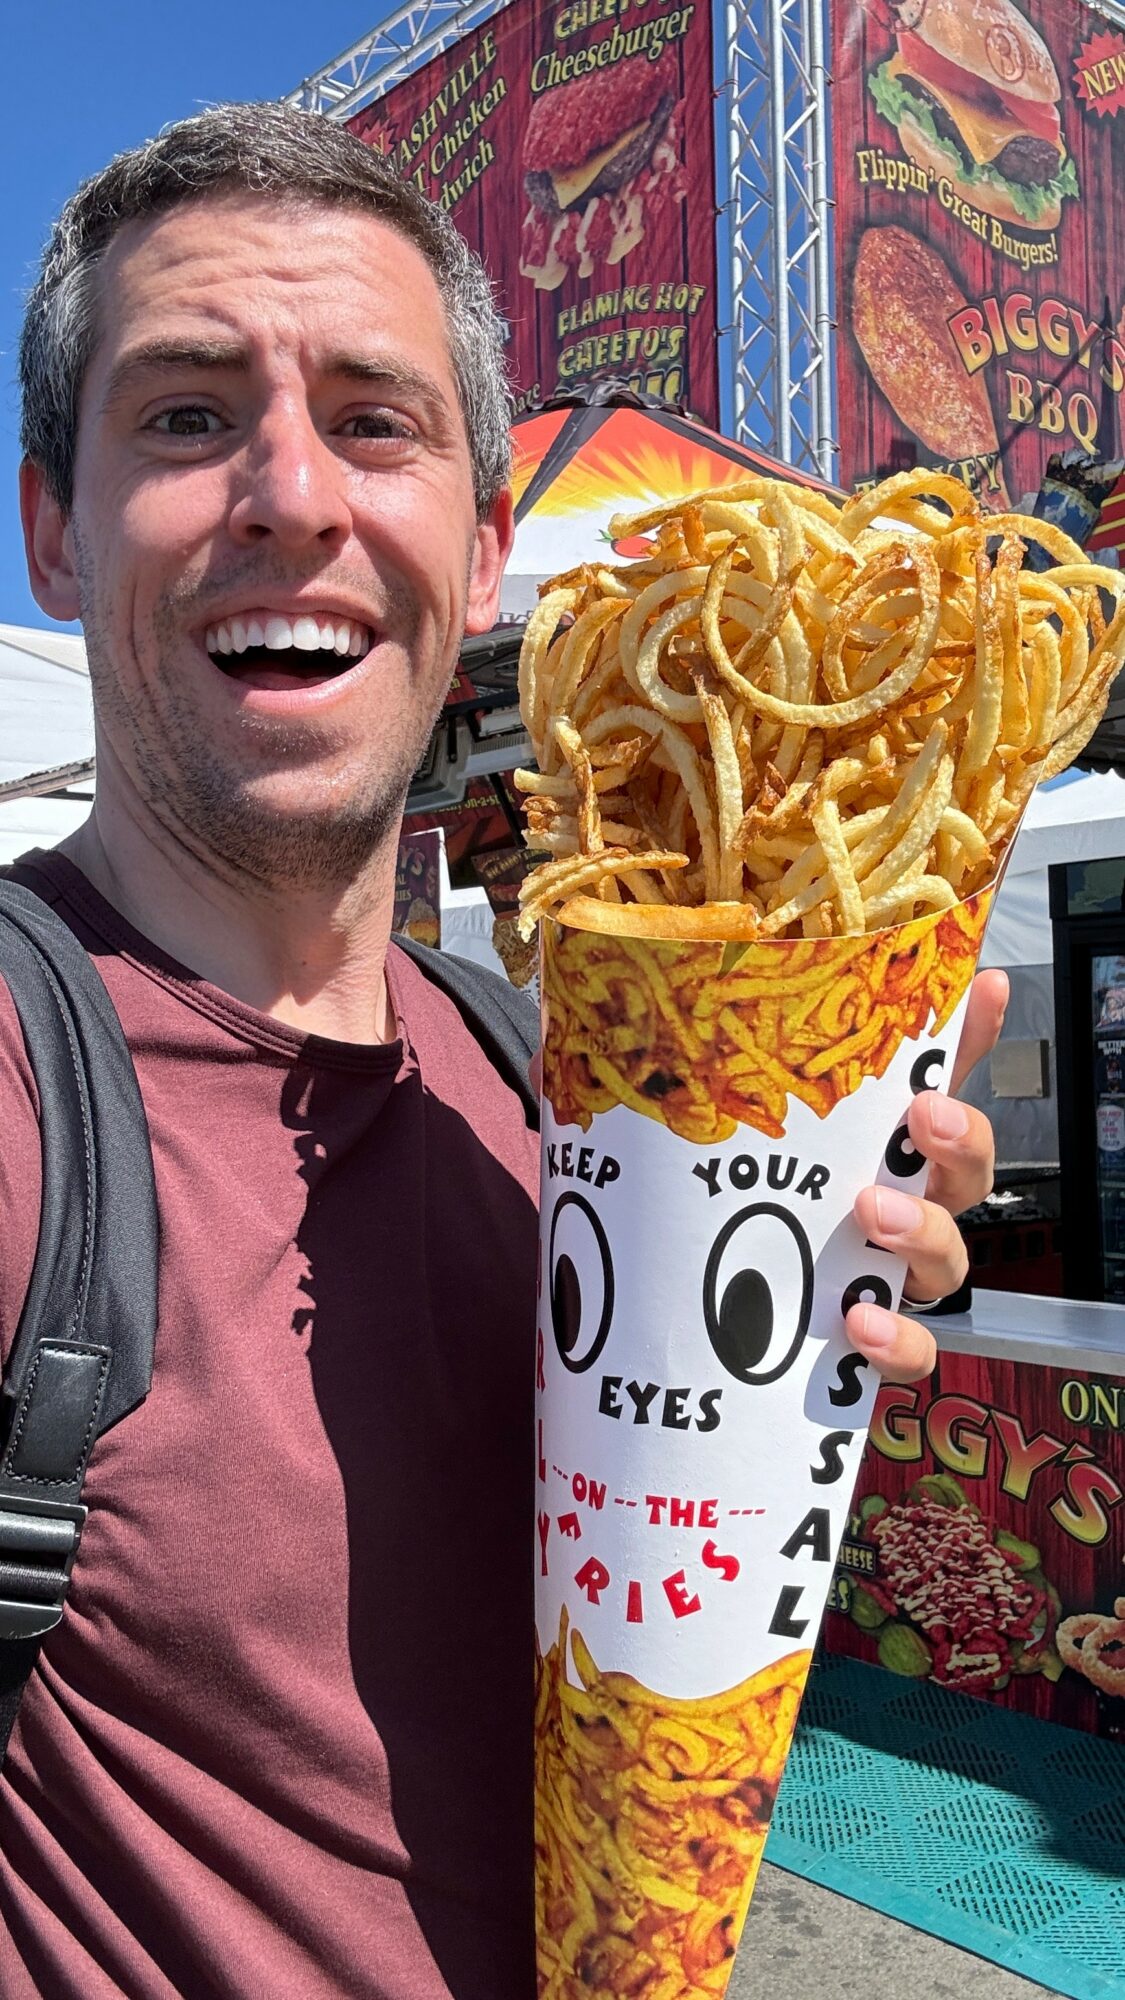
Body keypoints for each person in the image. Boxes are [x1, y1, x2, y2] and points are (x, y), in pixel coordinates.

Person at [2, 102, 1005, 2000]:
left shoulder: (552, 1083)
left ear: (479, 557)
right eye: (188, 415)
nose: (292, 494)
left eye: (373, 421)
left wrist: (810, 1344)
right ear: (55, 528)